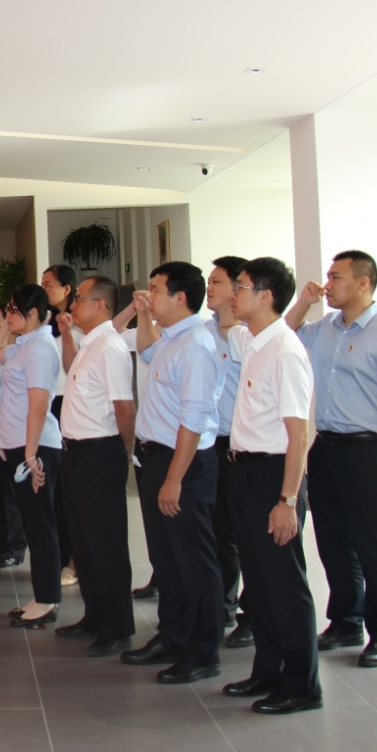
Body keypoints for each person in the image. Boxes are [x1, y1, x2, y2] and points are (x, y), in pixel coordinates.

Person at [284, 250, 377, 668]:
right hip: (327, 448)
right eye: (328, 275)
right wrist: (304, 302)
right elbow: (282, 334)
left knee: (375, 547)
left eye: (337, 276)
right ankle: (345, 621)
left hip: (369, 450)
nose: (328, 283)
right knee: (334, 542)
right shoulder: (325, 328)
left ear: (363, 283)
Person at [221, 257, 321, 714]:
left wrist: (287, 500)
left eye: (240, 287)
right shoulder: (253, 340)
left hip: (273, 476)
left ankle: (301, 685)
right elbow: (226, 322)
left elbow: (299, 435)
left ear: (266, 296)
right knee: (258, 584)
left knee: (284, 584)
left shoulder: (285, 351)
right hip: (244, 470)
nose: (232, 294)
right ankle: (268, 670)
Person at [121, 262, 225, 684]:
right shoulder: (170, 339)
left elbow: (194, 420)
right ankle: (173, 635)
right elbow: (145, 351)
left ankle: (202, 652)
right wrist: (145, 313)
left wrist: (175, 478)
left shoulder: (196, 345)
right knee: (166, 558)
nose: (149, 294)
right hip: (157, 459)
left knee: (193, 561)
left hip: (183, 463)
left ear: (180, 297)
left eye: (156, 289)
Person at [53, 276, 137, 656]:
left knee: (105, 543)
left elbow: (125, 408)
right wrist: (67, 335)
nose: (73, 303)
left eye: (81, 298)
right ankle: (95, 615)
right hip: (75, 452)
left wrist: (124, 452)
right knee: (83, 541)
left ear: (101, 305)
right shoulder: (89, 342)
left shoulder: (111, 347)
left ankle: (117, 625)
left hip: (100, 453)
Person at [0, 284, 64, 628]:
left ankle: (47, 601)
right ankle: (43, 596)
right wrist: (6, 324)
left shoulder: (40, 349)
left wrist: (31, 454)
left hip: (35, 447)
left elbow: (39, 405)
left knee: (40, 525)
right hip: (19, 446)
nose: (8, 314)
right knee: (33, 524)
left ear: (33, 313)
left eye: (13, 309)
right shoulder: (23, 344)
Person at [206, 256, 253, 648]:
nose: (209, 288)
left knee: (245, 534)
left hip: (245, 446)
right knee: (219, 529)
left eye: (217, 282)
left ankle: (252, 615)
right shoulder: (203, 330)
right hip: (213, 442)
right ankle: (222, 606)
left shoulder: (249, 335)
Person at [42, 263, 81, 587]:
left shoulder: (79, 321)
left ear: (67, 289)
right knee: (56, 489)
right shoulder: (46, 320)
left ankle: (74, 560)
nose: (44, 289)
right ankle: (60, 554)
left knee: (70, 489)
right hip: (49, 403)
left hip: (70, 402)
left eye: (49, 284)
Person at [0, 304, 27, 570]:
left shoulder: (18, 350)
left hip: (14, 421)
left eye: (0, 319)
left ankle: (14, 546)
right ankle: (2, 541)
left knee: (12, 491)